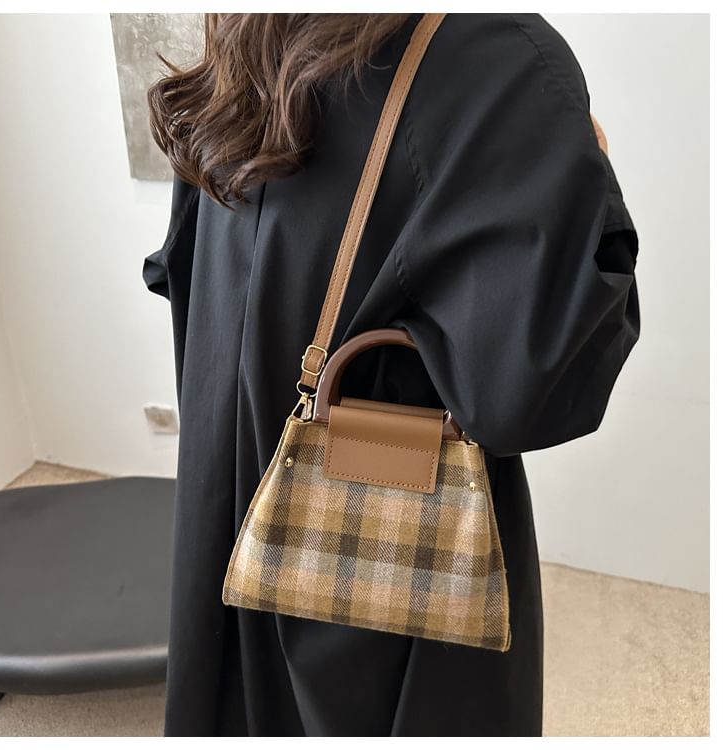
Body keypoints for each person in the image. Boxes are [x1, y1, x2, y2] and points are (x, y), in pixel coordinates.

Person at [143, 13, 640, 737]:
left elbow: (196, 283)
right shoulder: (495, 54)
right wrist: (591, 168)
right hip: (390, 504)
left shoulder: (250, 32)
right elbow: (528, 388)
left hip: (225, 487)